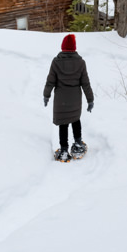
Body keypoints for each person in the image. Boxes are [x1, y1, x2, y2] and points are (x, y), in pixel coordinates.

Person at [44, 33, 94, 162]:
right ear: (74, 47)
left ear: (63, 47)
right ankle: (78, 144)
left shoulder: (56, 62)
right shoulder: (81, 62)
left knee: (63, 124)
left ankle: (64, 150)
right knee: (75, 120)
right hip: (75, 100)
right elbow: (85, 83)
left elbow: (50, 81)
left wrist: (46, 95)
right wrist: (90, 99)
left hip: (61, 100)